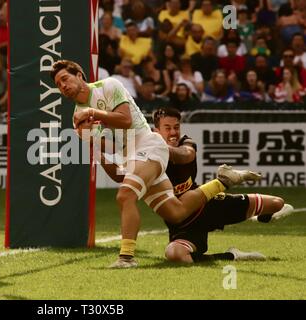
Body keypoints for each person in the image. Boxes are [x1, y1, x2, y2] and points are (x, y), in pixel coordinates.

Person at [50, 60, 261, 268]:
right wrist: (89, 137)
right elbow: (110, 148)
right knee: (175, 212)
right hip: (130, 156)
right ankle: (223, 181)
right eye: (58, 84)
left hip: (148, 144)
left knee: (125, 196)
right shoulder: (77, 117)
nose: (63, 86)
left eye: (65, 79)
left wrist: (94, 113)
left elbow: (124, 120)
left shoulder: (109, 85)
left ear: (79, 75)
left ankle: (126, 258)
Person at [151, 107, 295, 263]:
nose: (173, 132)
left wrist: (160, 147)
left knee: (277, 204)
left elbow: (187, 155)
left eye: (176, 127)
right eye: (168, 128)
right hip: (183, 223)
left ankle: (260, 217)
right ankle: (231, 256)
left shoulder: (186, 143)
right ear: (156, 131)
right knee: (175, 254)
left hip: (207, 204)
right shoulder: (148, 159)